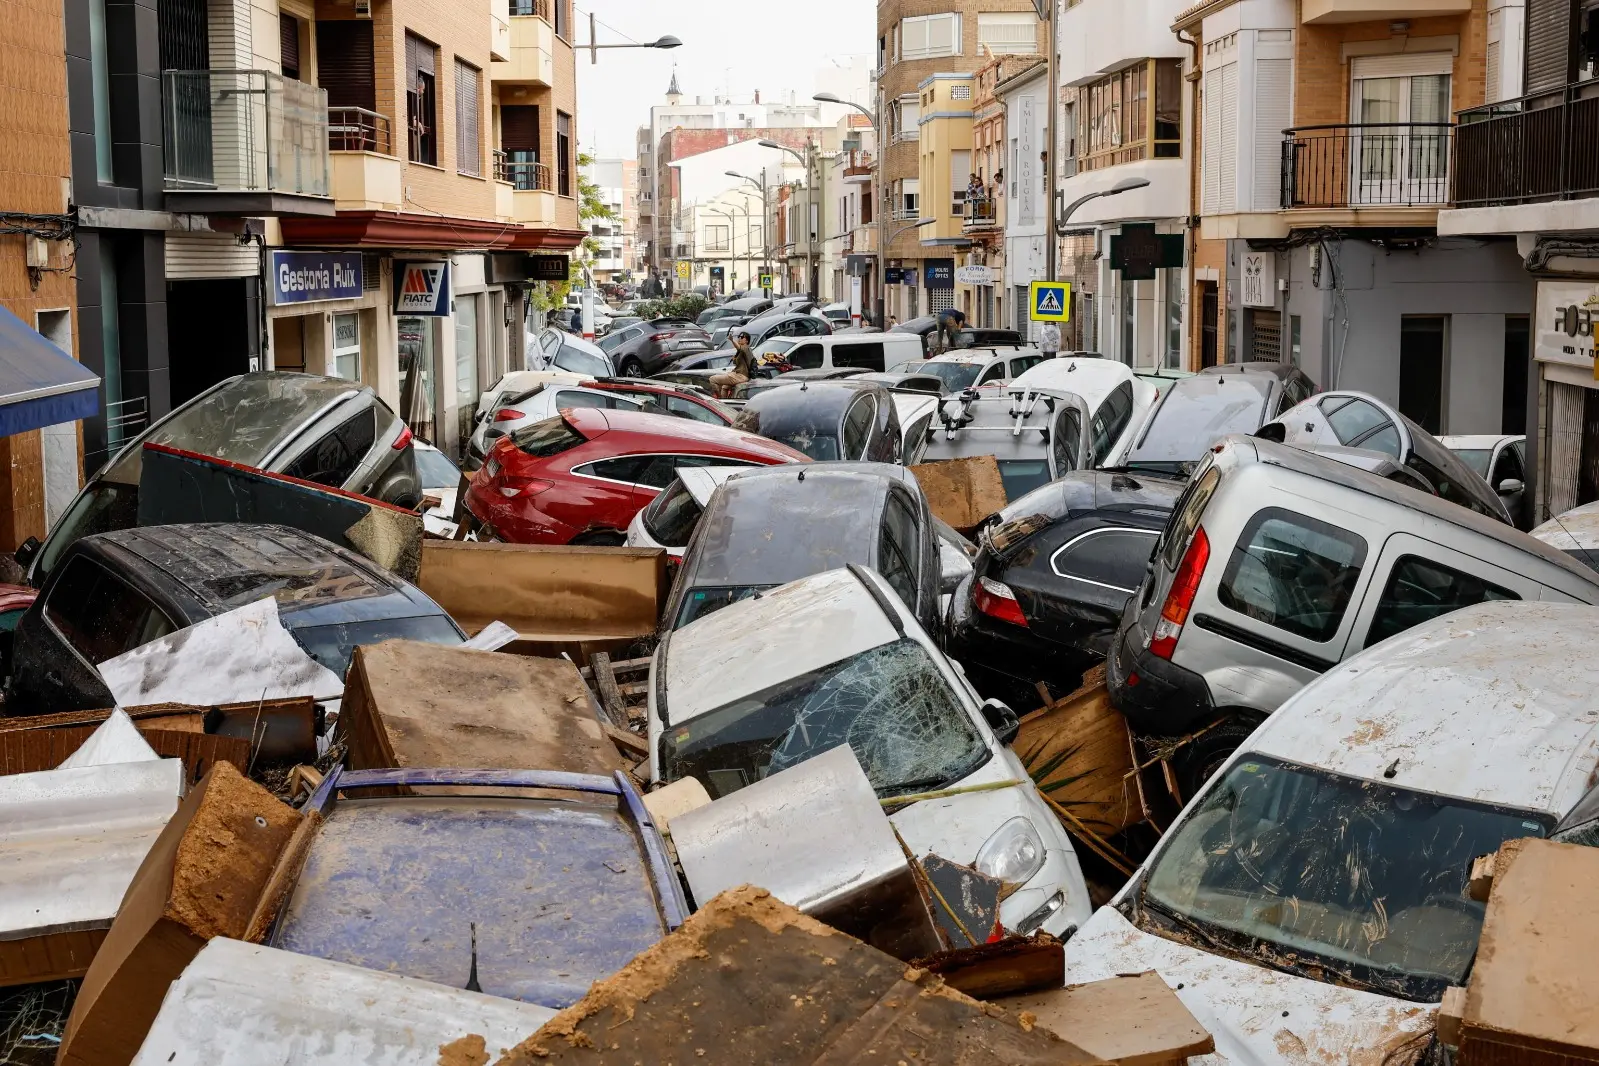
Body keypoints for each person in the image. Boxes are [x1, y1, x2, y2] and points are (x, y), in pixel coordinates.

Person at [710, 330, 756, 398]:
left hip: (741, 376)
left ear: (747, 341)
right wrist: (735, 359)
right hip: (737, 375)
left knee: (712, 379)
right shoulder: (740, 351)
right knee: (724, 387)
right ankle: (725, 402)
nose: (740, 338)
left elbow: (739, 348)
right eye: (739, 337)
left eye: (742, 337)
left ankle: (720, 400)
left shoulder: (746, 348)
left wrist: (732, 340)